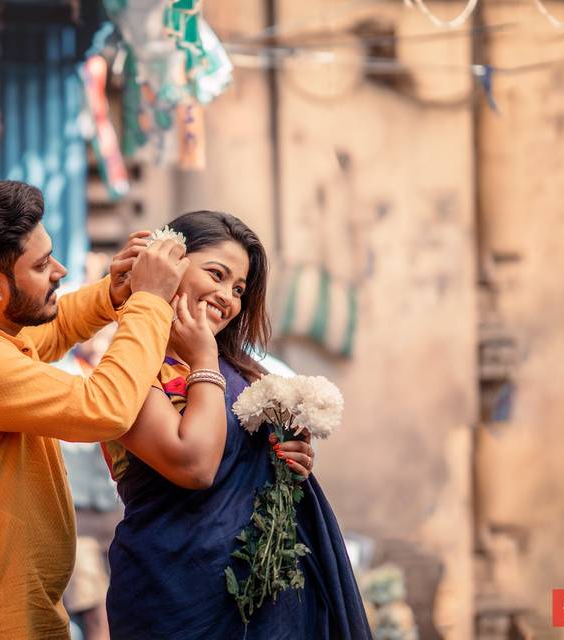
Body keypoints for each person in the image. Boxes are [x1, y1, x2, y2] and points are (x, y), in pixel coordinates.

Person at [0, 181, 189, 639]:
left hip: (24, 608)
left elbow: (52, 330)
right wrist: (150, 302)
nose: (59, 270)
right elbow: (105, 408)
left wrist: (113, 294)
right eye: (41, 266)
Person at [103, 211, 373, 639]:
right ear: (169, 261)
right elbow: (195, 466)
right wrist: (203, 359)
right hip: (177, 595)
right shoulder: (129, 368)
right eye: (216, 274)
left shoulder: (243, 370)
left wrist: (288, 458)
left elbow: (246, 467)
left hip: (270, 597)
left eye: (239, 289)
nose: (227, 296)